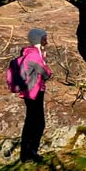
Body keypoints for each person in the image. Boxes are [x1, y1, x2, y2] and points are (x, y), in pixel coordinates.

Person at [20, 28, 53, 163]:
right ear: (38, 39)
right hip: (34, 92)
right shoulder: (34, 55)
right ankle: (29, 153)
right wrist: (47, 68)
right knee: (37, 123)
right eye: (45, 37)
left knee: (32, 122)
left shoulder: (31, 54)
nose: (47, 40)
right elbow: (46, 73)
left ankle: (29, 153)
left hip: (32, 91)